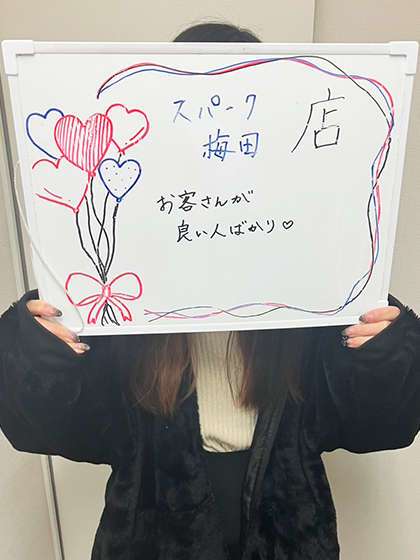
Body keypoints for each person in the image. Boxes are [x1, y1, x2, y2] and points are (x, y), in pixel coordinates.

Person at [1, 22, 420, 560]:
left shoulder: (315, 279)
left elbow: (377, 425)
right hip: (151, 536)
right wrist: (38, 354)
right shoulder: (118, 278)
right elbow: (57, 428)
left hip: (289, 529)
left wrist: (385, 355)